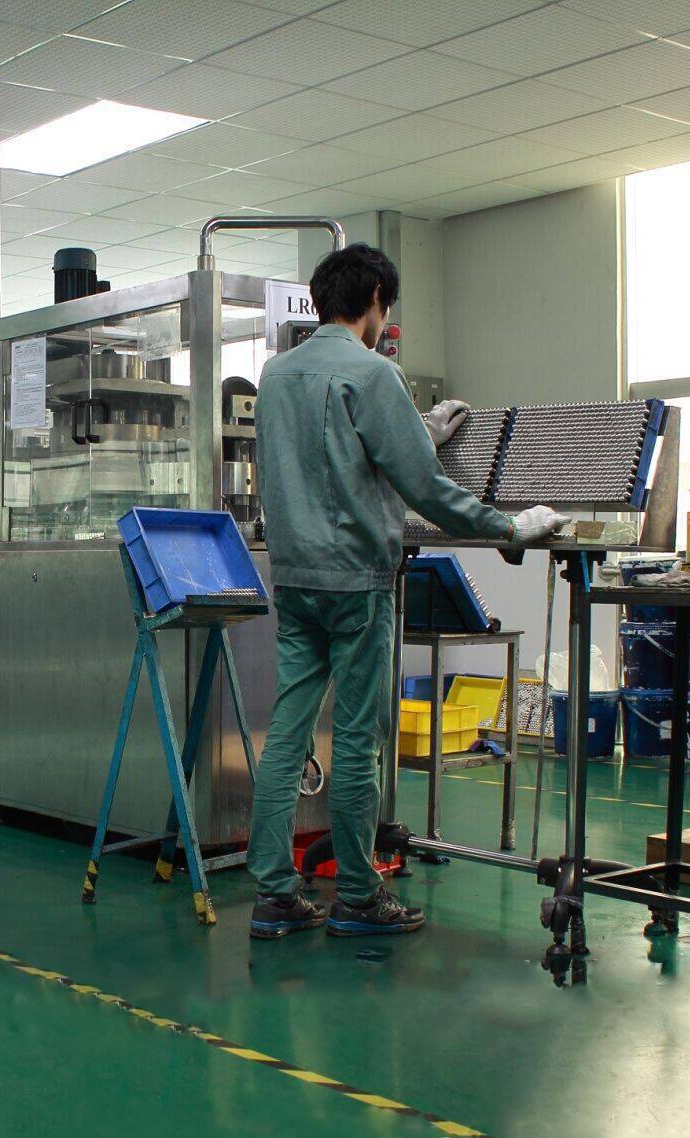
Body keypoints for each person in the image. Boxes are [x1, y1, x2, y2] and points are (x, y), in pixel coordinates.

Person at [247, 244, 569, 941]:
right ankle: (359, 898)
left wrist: (419, 429)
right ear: (375, 302)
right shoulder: (374, 373)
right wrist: (509, 526)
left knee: (288, 734)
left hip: (295, 579)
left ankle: (273, 895)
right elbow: (425, 487)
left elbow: (328, 458)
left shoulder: (276, 375)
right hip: (357, 584)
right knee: (357, 742)